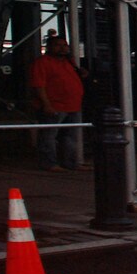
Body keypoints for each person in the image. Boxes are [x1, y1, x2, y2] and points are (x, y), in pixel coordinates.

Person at [29, 33, 85, 171]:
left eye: (64, 45)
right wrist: (46, 104)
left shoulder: (69, 62)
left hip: (73, 105)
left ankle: (70, 162)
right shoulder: (42, 63)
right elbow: (38, 85)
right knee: (49, 136)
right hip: (54, 105)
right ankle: (49, 163)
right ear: (49, 47)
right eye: (57, 45)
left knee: (70, 136)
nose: (62, 48)